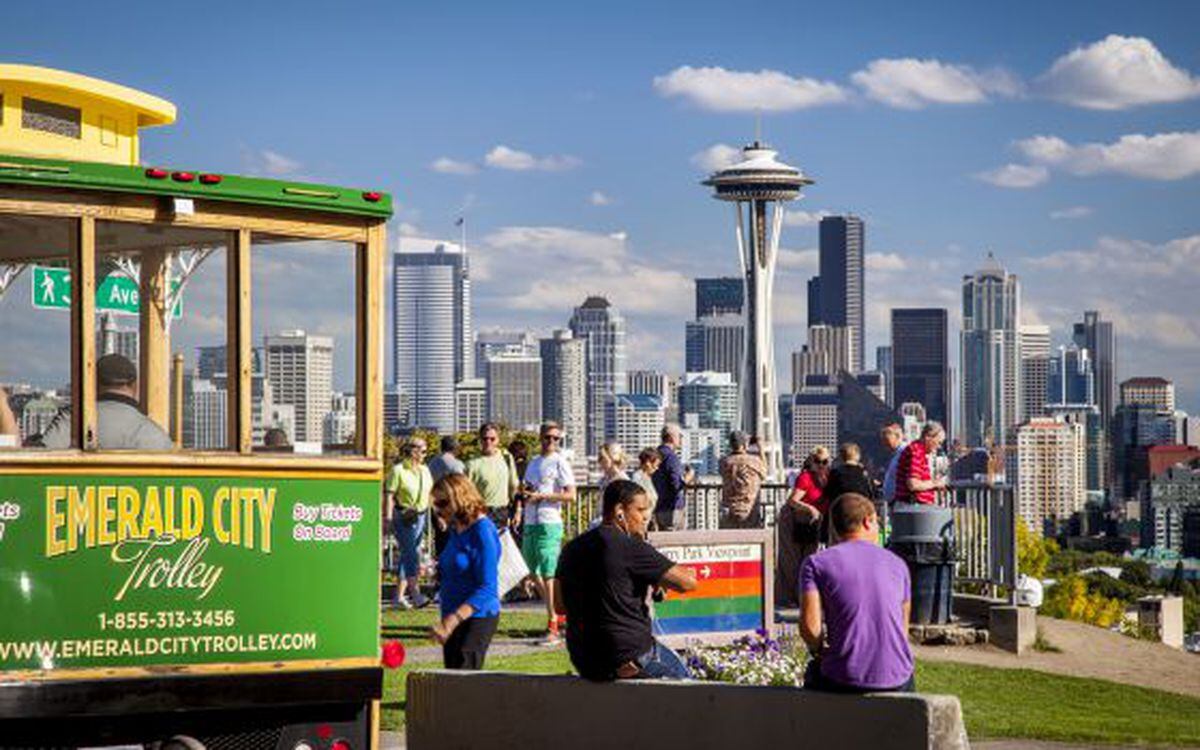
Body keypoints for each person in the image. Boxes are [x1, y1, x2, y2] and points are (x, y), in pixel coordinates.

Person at [555, 479, 697, 680]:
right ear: (619, 511)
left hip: (586, 661)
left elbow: (559, 606)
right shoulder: (632, 548)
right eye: (640, 510)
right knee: (692, 693)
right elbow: (688, 583)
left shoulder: (570, 549)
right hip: (629, 657)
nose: (645, 517)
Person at [800, 493, 914, 693]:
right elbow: (902, 629)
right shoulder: (898, 564)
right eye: (878, 522)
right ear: (868, 521)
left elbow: (810, 628)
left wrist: (819, 651)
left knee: (814, 673)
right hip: (898, 677)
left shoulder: (816, 564)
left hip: (843, 676)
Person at [429, 474, 501, 670]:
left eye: (443, 503)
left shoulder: (482, 530)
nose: (439, 510)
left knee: (464, 682)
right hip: (452, 613)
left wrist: (452, 620)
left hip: (475, 618)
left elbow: (488, 588)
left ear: (460, 498)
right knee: (452, 679)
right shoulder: (456, 528)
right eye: (436, 505)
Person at [41, 354, 173, 450]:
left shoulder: (72, 420)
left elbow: (44, 456)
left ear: (92, 383)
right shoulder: (156, 435)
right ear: (135, 386)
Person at [522, 421, 576, 643]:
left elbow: (571, 495)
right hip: (530, 520)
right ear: (540, 438)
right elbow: (526, 488)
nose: (551, 442)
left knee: (548, 573)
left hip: (549, 522)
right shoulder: (533, 463)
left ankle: (553, 623)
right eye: (548, 437)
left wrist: (543, 497)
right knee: (531, 570)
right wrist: (523, 498)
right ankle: (557, 614)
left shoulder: (560, 462)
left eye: (556, 439)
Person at [775, 446, 830, 608]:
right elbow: (792, 500)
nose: (821, 465)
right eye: (818, 462)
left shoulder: (828, 477)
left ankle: (803, 597)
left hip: (812, 522)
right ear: (811, 461)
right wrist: (811, 508)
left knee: (809, 559)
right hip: (794, 520)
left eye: (825, 462)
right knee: (791, 560)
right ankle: (787, 598)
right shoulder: (806, 477)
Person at [384, 437, 433, 609]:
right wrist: (388, 518)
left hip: (420, 515)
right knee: (411, 554)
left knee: (408, 555)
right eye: (423, 451)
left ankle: (398, 597)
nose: (425, 455)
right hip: (403, 515)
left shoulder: (425, 470)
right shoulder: (398, 470)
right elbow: (389, 494)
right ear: (413, 451)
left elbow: (430, 494)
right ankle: (415, 593)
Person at [466, 423, 519, 529]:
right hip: (481, 511)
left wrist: (517, 510)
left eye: (492, 439)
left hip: (502, 510)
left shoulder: (507, 458)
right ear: (480, 440)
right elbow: (465, 493)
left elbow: (514, 487)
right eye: (485, 439)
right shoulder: (472, 463)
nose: (488, 442)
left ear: (498, 440)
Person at [719, 431, 767, 529]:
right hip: (749, 510)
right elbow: (764, 472)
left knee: (730, 542)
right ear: (745, 445)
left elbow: (729, 460)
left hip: (729, 510)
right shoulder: (754, 461)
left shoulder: (724, 462)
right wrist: (760, 447)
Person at [428, 435, 465, 558]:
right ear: (456, 448)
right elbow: (460, 486)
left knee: (440, 541)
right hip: (452, 506)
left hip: (435, 505)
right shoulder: (456, 464)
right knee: (454, 541)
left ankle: (441, 570)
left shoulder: (432, 463)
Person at [894, 422, 947, 505]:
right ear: (928, 437)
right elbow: (913, 484)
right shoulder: (916, 452)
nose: (939, 447)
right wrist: (935, 483)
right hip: (913, 506)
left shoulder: (919, 451)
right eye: (939, 442)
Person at [651, 424, 692, 531]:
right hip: (672, 509)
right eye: (679, 436)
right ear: (671, 437)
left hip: (658, 507)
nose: (681, 439)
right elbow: (676, 485)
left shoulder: (654, 455)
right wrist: (688, 477)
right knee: (675, 541)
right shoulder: (671, 457)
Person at [880, 424, 907, 504]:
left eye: (886, 440)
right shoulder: (896, 454)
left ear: (898, 436)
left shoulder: (905, 452)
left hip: (901, 501)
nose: (884, 443)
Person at [629, 448, 660, 512]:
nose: (657, 468)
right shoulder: (638, 478)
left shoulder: (647, 477)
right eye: (656, 465)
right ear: (648, 463)